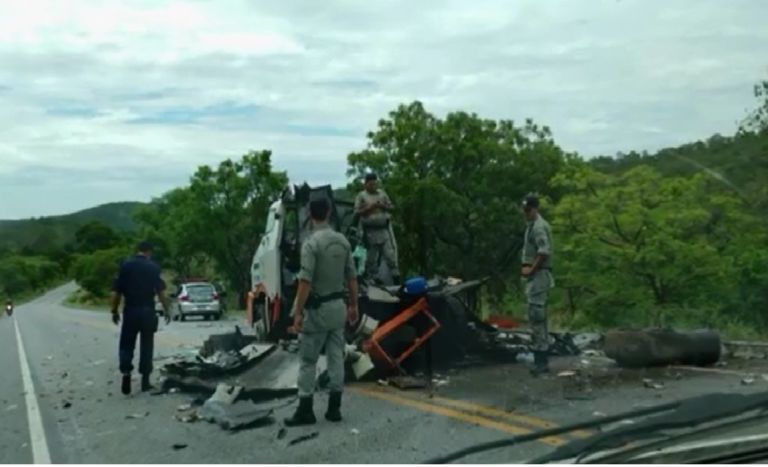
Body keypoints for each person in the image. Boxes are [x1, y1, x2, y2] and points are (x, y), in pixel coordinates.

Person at [285, 197, 359, 426]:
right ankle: (334, 409)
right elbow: (352, 277)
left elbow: (305, 281)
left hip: (317, 311)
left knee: (308, 361)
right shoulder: (343, 242)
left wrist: (298, 312)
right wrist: (354, 305)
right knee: (336, 357)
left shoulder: (311, 244)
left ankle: (305, 410)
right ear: (328, 213)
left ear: (311, 215)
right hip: (338, 308)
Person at [111, 241, 171, 395]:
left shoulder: (126, 266)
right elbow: (161, 292)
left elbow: (116, 292)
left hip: (131, 310)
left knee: (126, 344)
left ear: (138, 251)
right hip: (148, 311)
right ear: (149, 252)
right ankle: (145, 381)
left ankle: (126, 373)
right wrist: (167, 310)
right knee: (147, 345)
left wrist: (114, 311)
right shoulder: (153, 267)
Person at [520, 194, 555, 376]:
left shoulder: (539, 227)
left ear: (535, 208)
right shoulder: (531, 226)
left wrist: (531, 270)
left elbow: (543, 252)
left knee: (537, 316)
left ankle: (541, 361)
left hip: (539, 276)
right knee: (536, 317)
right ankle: (540, 358)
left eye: (528, 209)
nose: (525, 213)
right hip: (536, 276)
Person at [354, 173, 400, 285]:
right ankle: (371, 282)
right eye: (370, 184)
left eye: (375, 183)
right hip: (369, 232)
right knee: (371, 260)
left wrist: (383, 206)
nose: (373, 186)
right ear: (366, 184)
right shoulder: (362, 196)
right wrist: (370, 207)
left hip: (383, 230)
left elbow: (392, 207)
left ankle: (397, 280)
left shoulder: (382, 194)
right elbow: (356, 212)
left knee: (390, 257)